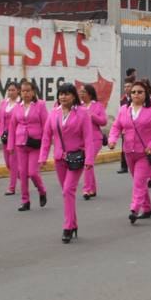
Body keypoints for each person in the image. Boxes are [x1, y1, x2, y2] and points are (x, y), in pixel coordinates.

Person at [40, 83, 95, 243]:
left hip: (76, 158)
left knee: (67, 190)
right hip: (60, 159)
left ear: (74, 96)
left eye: (67, 94)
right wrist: (43, 157)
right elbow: (46, 136)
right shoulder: (54, 113)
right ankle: (74, 223)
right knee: (67, 193)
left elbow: (88, 137)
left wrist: (90, 159)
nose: (63, 97)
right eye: (61, 94)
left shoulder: (83, 113)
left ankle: (68, 226)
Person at [108, 79, 151, 224]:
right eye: (133, 92)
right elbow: (116, 127)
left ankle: (134, 208)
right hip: (129, 152)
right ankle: (147, 208)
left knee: (139, 182)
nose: (136, 94)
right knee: (138, 180)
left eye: (139, 92)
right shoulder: (124, 110)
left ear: (146, 94)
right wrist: (112, 139)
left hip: (145, 153)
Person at [9, 79, 49, 211]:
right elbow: (12, 126)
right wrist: (10, 146)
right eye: (23, 91)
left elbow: (46, 126)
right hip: (20, 143)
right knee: (22, 173)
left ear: (33, 92)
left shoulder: (40, 105)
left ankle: (42, 191)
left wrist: (45, 145)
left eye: (28, 91)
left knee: (32, 172)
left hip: (35, 143)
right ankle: (25, 201)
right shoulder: (17, 107)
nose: (25, 93)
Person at [78, 82, 107, 200]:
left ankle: (87, 189)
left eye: (83, 92)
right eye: (80, 92)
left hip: (95, 139)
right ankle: (93, 188)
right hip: (83, 140)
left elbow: (103, 121)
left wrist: (91, 115)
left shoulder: (97, 105)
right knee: (89, 164)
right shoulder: (79, 106)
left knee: (87, 163)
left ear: (89, 94)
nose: (81, 94)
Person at [0, 82, 21, 196]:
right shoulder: (4, 103)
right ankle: (23, 176)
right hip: (5, 136)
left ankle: (11, 187)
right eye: (9, 90)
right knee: (8, 163)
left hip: (16, 137)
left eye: (13, 90)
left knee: (13, 163)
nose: (10, 92)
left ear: (18, 91)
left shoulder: (21, 104)